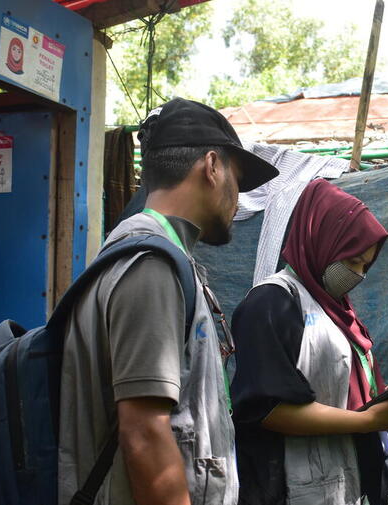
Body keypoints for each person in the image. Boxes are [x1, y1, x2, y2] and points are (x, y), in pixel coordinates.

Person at [57, 98, 278, 505]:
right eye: (237, 179)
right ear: (211, 166)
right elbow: (144, 432)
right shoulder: (151, 267)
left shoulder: (158, 257)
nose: (238, 198)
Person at [229, 179, 388, 505]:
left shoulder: (337, 308)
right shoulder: (272, 303)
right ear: (321, 242)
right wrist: (367, 420)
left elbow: (343, 391)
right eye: (352, 261)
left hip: (351, 476)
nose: (359, 275)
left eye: (365, 265)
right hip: (294, 486)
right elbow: (266, 409)